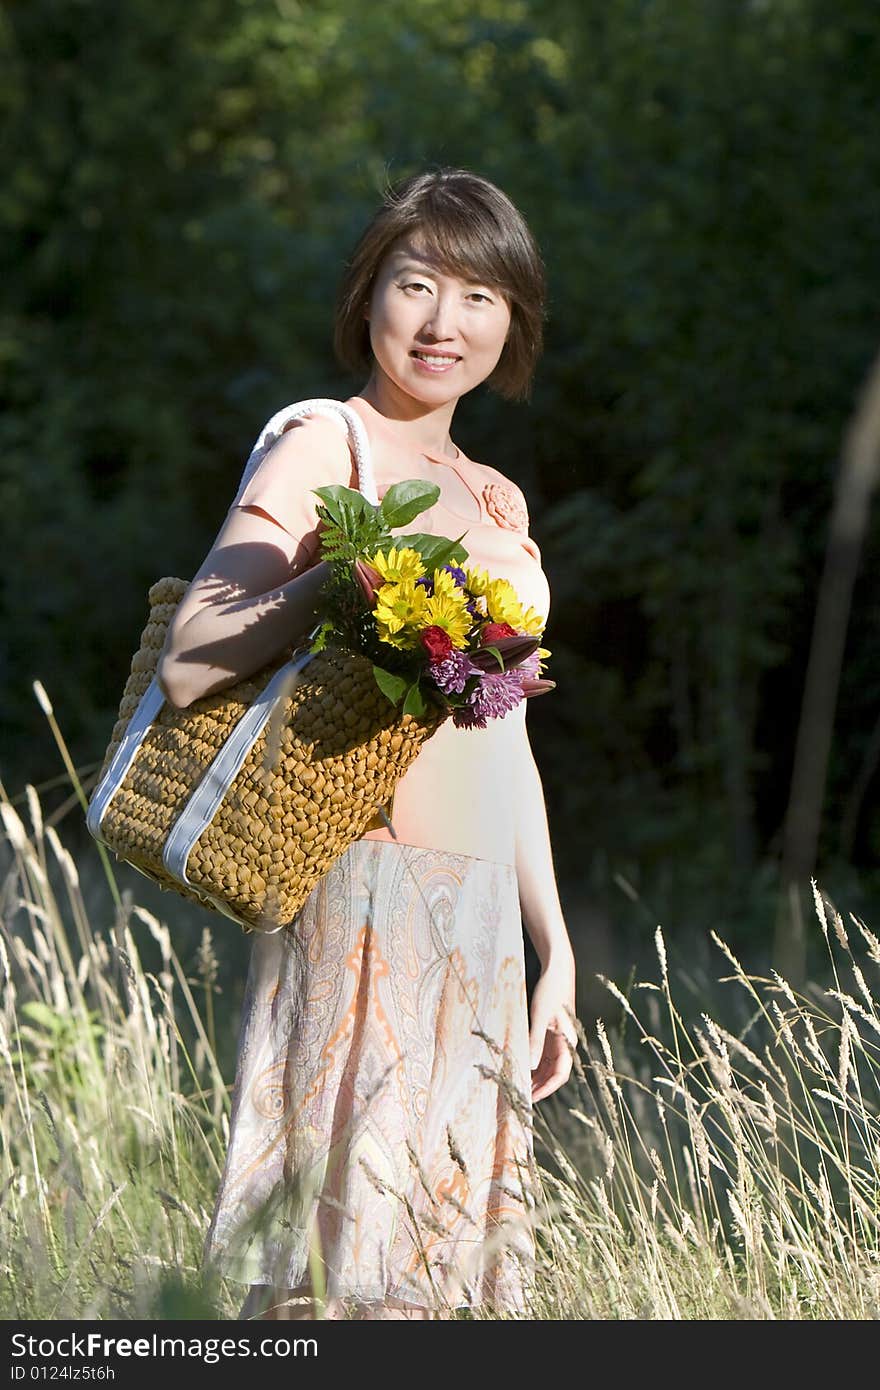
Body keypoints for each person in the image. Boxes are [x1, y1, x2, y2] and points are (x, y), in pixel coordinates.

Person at [156, 167, 577, 1321]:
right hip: (366, 891)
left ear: (515, 317)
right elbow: (193, 651)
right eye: (418, 284)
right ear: (369, 294)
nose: (446, 323)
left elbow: (508, 734)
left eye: (480, 295)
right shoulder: (321, 442)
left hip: (482, 916)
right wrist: (336, 581)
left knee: (440, 1268)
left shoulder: (497, 500)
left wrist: (555, 946)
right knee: (344, 1264)